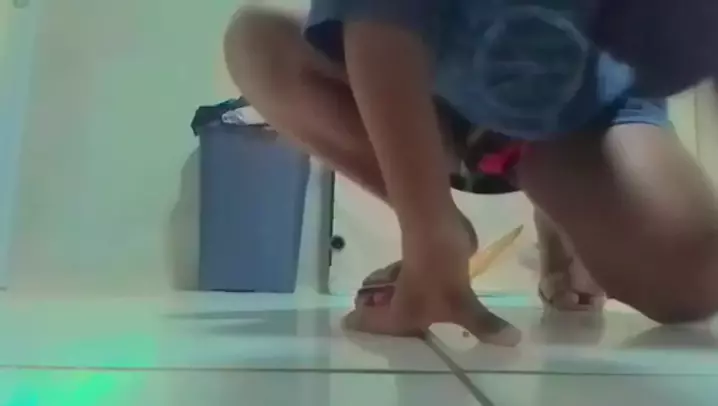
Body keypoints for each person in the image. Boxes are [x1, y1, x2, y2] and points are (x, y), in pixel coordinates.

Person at [223, 1, 718, 346]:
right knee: (258, 43)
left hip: (583, 118)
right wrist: (429, 232)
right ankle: (458, 224)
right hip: (435, 97)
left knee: (692, 284)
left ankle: (555, 206)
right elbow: (379, 20)